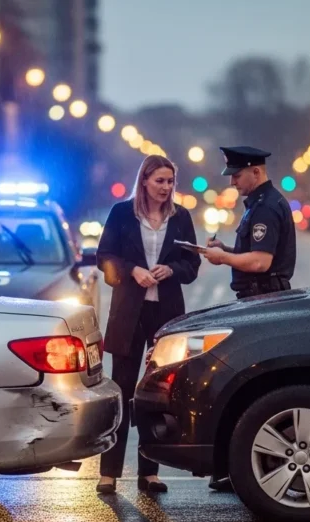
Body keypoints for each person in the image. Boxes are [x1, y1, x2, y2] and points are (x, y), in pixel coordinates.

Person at [95, 155, 201, 495]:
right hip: (129, 314)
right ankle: (108, 473)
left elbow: (192, 263)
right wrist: (132, 271)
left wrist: (172, 270)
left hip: (165, 315)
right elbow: (104, 257)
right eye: (160, 181)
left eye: (170, 181)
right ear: (144, 181)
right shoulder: (122, 213)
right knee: (123, 392)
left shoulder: (180, 216)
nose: (166, 188)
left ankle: (149, 473)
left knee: (158, 394)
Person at [202, 145, 297, 491]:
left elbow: (260, 263)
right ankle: (241, 466)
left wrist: (225, 259)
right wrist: (225, 251)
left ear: (256, 172)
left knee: (251, 384)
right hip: (260, 296)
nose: (234, 183)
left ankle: (249, 468)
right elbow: (251, 255)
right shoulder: (259, 205)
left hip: (263, 298)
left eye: (238, 176)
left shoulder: (266, 207)